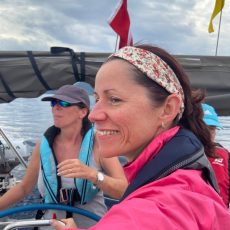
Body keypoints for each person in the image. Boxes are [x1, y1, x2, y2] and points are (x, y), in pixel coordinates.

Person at [52, 45, 230, 230]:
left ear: (168, 109)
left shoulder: (156, 210)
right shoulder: (188, 179)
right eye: (97, 99)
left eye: (114, 99)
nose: (93, 115)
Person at [0, 85, 128, 228]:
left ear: (83, 112)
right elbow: (24, 188)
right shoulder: (43, 145)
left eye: (64, 103)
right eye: (53, 103)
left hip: (92, 225)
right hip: (50, 224)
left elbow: (123, 190)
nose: (56, 108)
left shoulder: (99, 143)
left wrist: (92, 175)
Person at [202, 103, 230, 208]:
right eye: (204, 128)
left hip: (219, 216)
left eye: (212, 128)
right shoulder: (180, 154)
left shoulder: (225, 155)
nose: (209, 133)